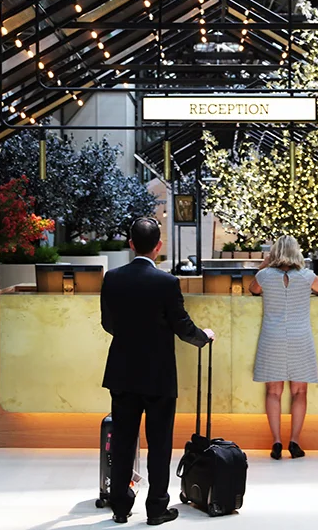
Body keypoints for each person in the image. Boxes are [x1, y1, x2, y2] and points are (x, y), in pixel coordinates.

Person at [101, 217, 215, 525]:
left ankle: (121, 507)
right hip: (158, 376)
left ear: (131, 244)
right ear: (158, 247)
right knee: (159, 443)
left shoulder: (112, 278)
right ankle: (156, 508)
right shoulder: (166, 282)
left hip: (122, 372)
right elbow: (182, 327)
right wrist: (203, 337)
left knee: (124, 441)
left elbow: (108, 324)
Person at [248, 235, 318, 460]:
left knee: (273, 392)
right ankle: (294, 441)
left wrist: (265, 263)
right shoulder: (307, 276)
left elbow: (253, 289)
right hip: (299, 338)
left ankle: (276, 441)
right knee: (299, 391)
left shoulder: (264, 276)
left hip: (272, 337)